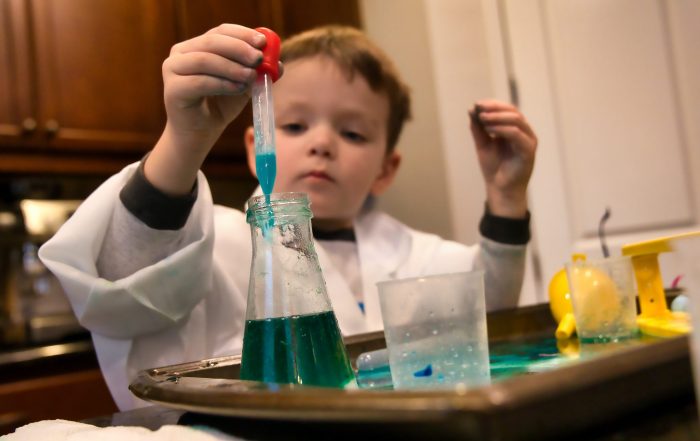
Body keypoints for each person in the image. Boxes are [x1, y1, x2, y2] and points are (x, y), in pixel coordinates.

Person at [39, 25, 537, 410]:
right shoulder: (212, 241)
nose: (322, 143)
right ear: (255, 144)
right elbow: (122, 290)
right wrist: (186, 140)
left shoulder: (416, 254)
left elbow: (483, 319)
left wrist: (506, 197)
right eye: (296, 125)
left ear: (386, 170)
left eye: (353, 134)